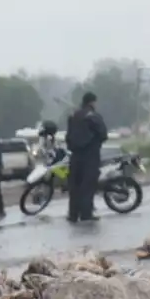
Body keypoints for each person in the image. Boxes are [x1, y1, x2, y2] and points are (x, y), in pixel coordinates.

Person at [65, 92, 108, 223]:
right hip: (90, 155)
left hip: (75, 156)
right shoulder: (93, 116)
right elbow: (103, 134)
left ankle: (73, 214)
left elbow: (68, 136)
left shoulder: (73, 116)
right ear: (92, 102)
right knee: (88, 186)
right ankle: (86, 213)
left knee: (75, 186)